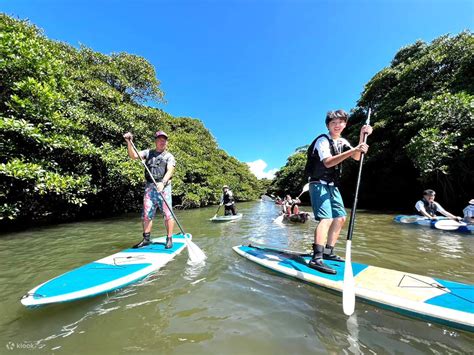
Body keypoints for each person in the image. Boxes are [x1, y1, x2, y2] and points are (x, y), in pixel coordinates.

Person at [305, 109, 372, 274]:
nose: (337, 125)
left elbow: (357, 156)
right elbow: (328, 162)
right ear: (328, 125)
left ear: (345, 124)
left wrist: (363, 136)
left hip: (332, 185)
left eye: (340, 122)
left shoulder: (342, 141)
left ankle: (328, 252)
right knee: (326, 219)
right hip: (318, 183)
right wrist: (354, 149)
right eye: (333, 123)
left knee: (341, 218)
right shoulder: (323, 140)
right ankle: (317, 257)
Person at [123, 130, 176, 249]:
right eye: (160, 140)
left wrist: (163, 182)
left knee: (168, 214)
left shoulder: (169, 156)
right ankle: (146, 239)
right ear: (155, 141)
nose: (162, 142)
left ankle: (169, 238)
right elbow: (133, 156)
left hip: (164, 187)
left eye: (164, 140)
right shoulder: (148, 152)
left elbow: (170, 170)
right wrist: (129, 142)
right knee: (147, 214)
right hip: (150, 187)